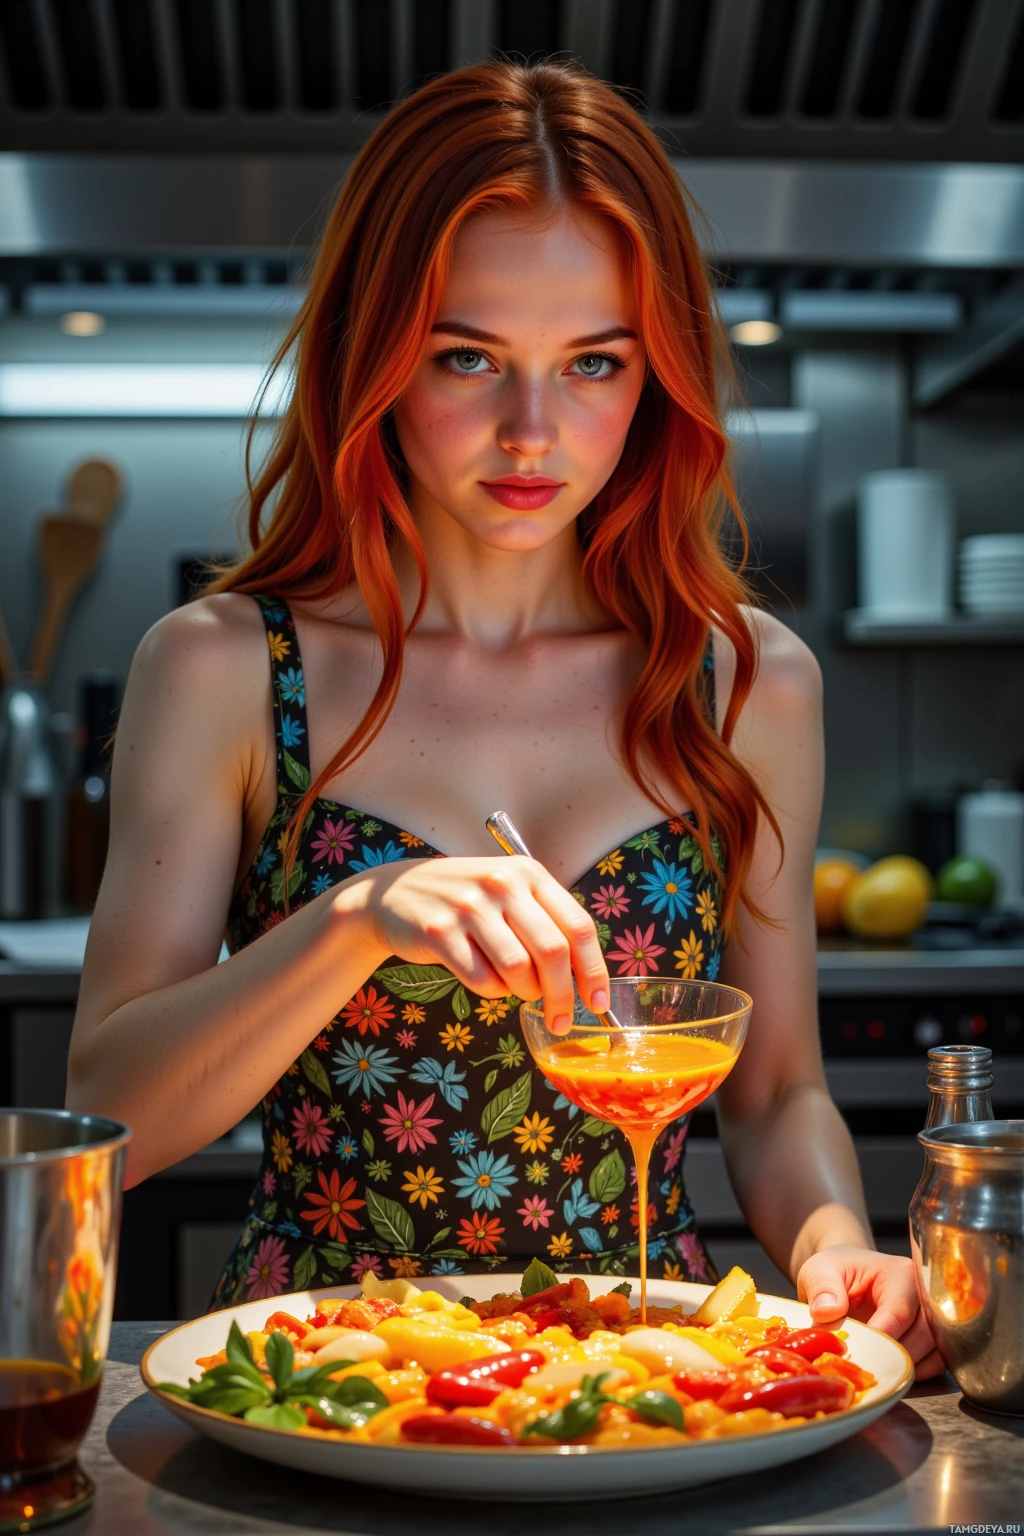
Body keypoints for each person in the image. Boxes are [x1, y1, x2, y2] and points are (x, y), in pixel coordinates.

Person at [67, 60, 939, 1375]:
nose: (534, 431)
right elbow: (106, 1105)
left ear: (657, 378)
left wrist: (835, 1250)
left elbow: (773, 1092)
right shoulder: (225, 668)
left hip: (642, 1377)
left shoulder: (746, 682)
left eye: (594, 363)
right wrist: (357, 916)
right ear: (376, 353)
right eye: (466, 356)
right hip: (318, 1389)